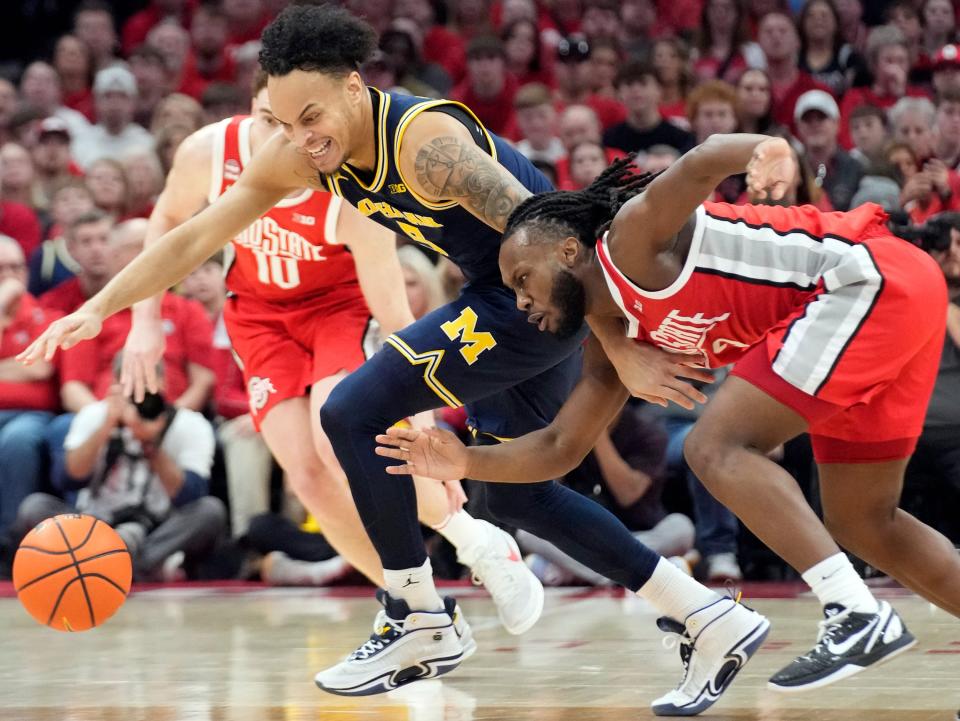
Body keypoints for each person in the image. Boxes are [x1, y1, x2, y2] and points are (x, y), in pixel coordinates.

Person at [18, 5, 768, 712]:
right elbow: (189, 239)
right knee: (516, 495)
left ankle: (417, 614)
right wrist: (97, 308)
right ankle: (704, 614)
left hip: (539, 292)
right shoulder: (300, 155)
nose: (302, 138)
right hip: (505, 294)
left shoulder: (424, 145)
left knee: (350, 410)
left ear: (354, 87)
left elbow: (548, 236)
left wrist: (620, 346)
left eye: (313, 117)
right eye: (281, 121)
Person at [377, 133, 959, 694]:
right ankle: (858, 607)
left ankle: (855, 613)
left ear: (569, 250)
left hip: (861, 282)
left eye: (523, 279)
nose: (520, 299)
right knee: (866, 524)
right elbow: (560, 449)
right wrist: (462, 460)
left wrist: (768, 150)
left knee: (715, 448)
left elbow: (702, 161)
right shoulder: (613, 345)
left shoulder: (631, 237)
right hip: (896, 295)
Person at [121, 67, 538, 619]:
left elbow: (392, 309)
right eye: (272, 121)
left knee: (332, 435)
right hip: (259, 317)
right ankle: (417, 610)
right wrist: (144, 320)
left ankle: (475, 541)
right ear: (251, 111)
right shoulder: (209, 152)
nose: (287, 139)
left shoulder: (344, 182)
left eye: (298, 123)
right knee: (310, 479)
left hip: (339, 310)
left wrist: (421, 413)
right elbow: (170, 221)